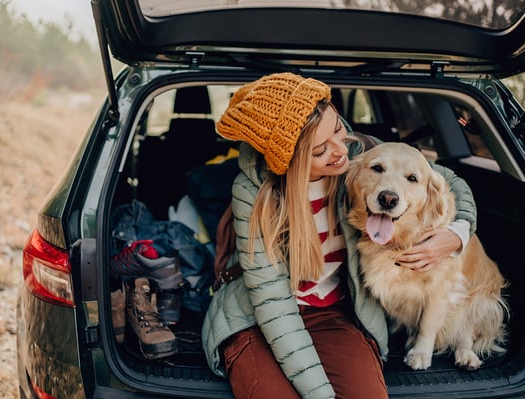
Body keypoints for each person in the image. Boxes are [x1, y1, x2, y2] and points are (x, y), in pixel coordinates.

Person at [201, 72, 476, 399]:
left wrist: (457, 235)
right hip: (259, 316)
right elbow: (273, 304)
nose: (340, 150)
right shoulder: (253, 193)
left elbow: (450, 181)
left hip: (335, 311)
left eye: (336, 129)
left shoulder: (365, 156)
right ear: (289, 160)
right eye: (320, 151)